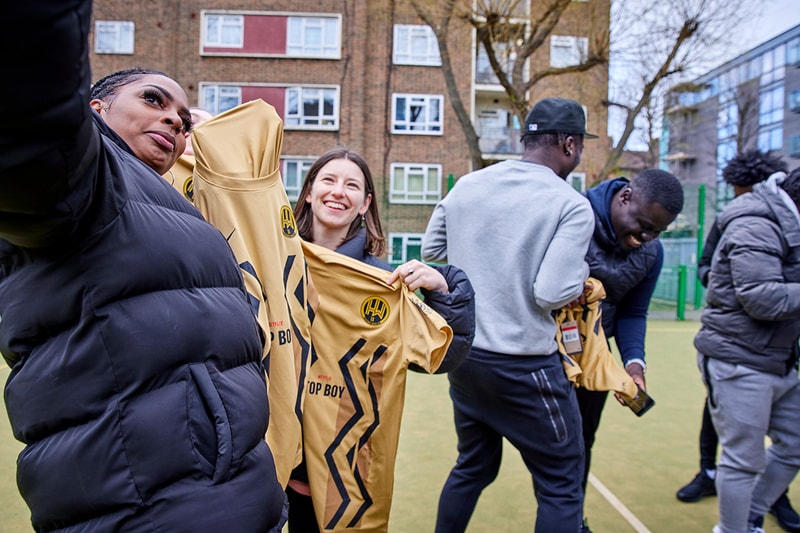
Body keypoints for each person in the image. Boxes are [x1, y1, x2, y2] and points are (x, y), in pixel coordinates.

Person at [0, 1, 286, 531]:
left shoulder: (170, 204)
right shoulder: (87, 185)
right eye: (153, 100)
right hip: (151, 510)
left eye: (182, 118)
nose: (173, 120)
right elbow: (28, 112)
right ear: (95, 110)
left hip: (230, 500)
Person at [422, 97, 596, 532]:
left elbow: (431, 252)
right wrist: (584, 276)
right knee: (561, 485)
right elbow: (551, 293)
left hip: (466, 359)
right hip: (525, 365)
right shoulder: (571, 204)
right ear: (570, 145)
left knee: (473, 467)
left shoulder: (469, 184)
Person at [287, 148, 476, 532]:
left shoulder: (383, 281)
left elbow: (445, 355)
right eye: (328, 180)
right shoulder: (275, 259)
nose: (338, 191)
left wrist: (445, 288)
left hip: (338, 469)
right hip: (263, 461)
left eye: (352, 185)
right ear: (309, 192)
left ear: (365, 203)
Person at [676, 150, 800, 532]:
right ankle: (732, 521)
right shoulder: (752, 223)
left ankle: (749, 513)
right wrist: (716, 280)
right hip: (738, 353)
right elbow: (759, 295)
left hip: (779, 356)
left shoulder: (780, 220)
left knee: (791, 444)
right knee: (740, 456)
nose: (740, 194)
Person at [576, 168, 684, 530]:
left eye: (656, 231)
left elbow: (633, 312)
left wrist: (634, 365)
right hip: (543, 353)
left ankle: (572, 517)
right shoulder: (573, 216)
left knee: (581, 443)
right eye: (642, 225)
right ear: (625, 198)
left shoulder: (652, 253)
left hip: (595, 358)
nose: (646, 237)